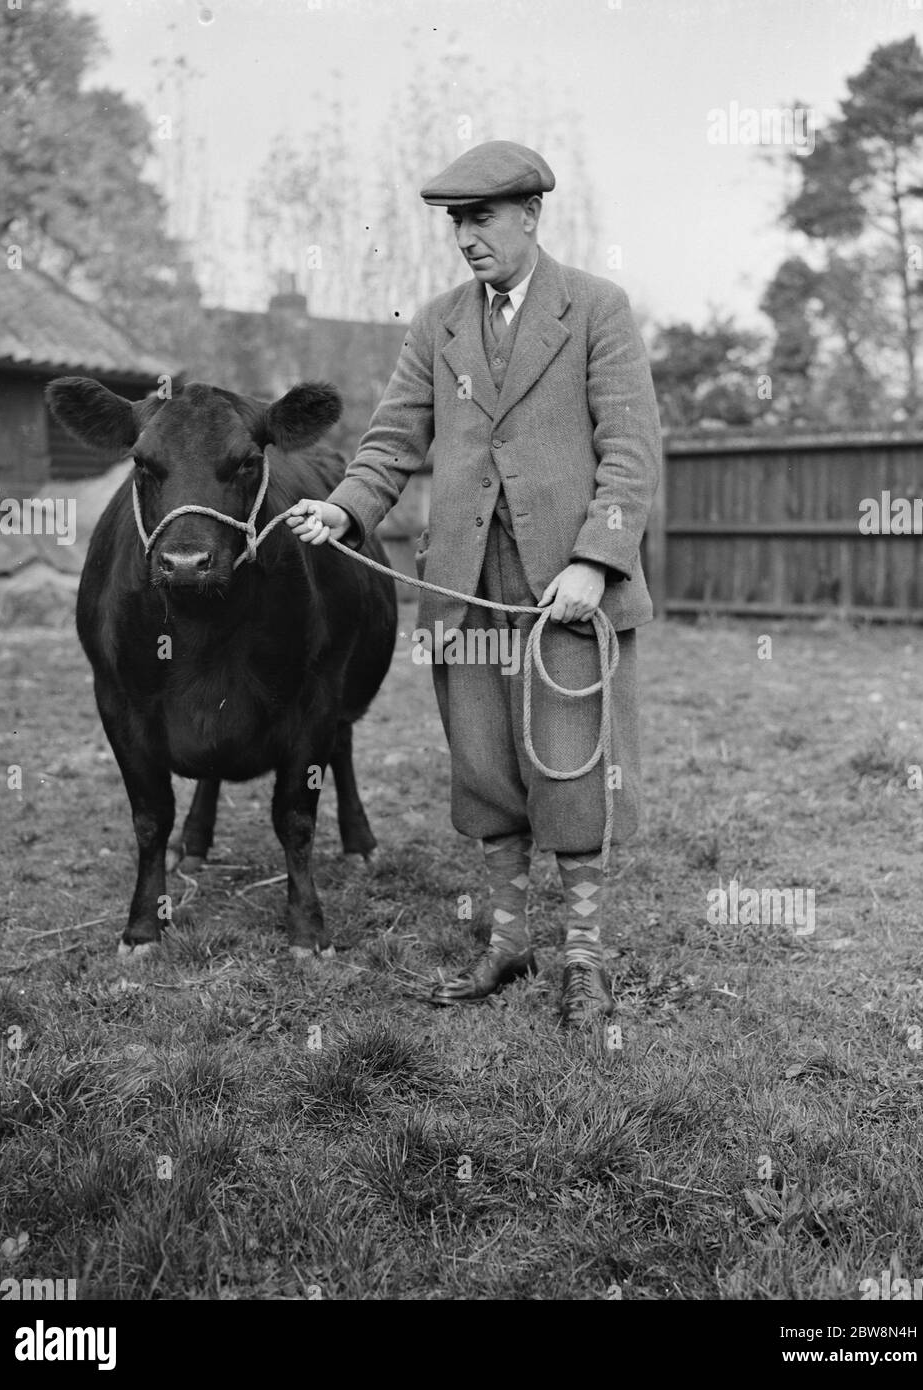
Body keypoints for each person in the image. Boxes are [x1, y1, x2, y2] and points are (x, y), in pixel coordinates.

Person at [287, 140, 661, 1026]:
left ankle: (583, 957)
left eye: (481, 217)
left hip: (567, 589)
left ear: (530, 214)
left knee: (572, 769)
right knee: (486, 769)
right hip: (464, 587)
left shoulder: (598, 310)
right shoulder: (437, 324)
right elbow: (390, 441)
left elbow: (631, 453)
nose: (465, 238)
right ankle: (507, 941)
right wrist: (344, 509)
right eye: (457, 222)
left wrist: (594, 560)